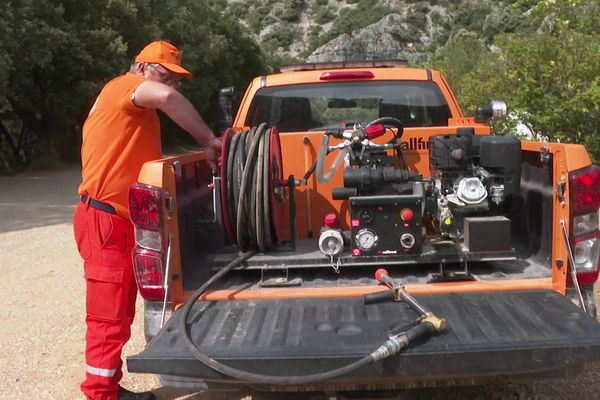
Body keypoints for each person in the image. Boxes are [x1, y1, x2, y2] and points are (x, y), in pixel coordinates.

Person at [73, 40, 221, 400]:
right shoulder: (125, 88)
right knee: (108, 316)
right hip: (106, 221)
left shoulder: (133, 108)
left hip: (119, 221)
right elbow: (167, 99)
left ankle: (107, 388)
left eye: (177, 79)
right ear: (141, 68)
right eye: (165, 74)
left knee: (119, 312)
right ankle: (100, 394)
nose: (172, 84)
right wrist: (209, 140)